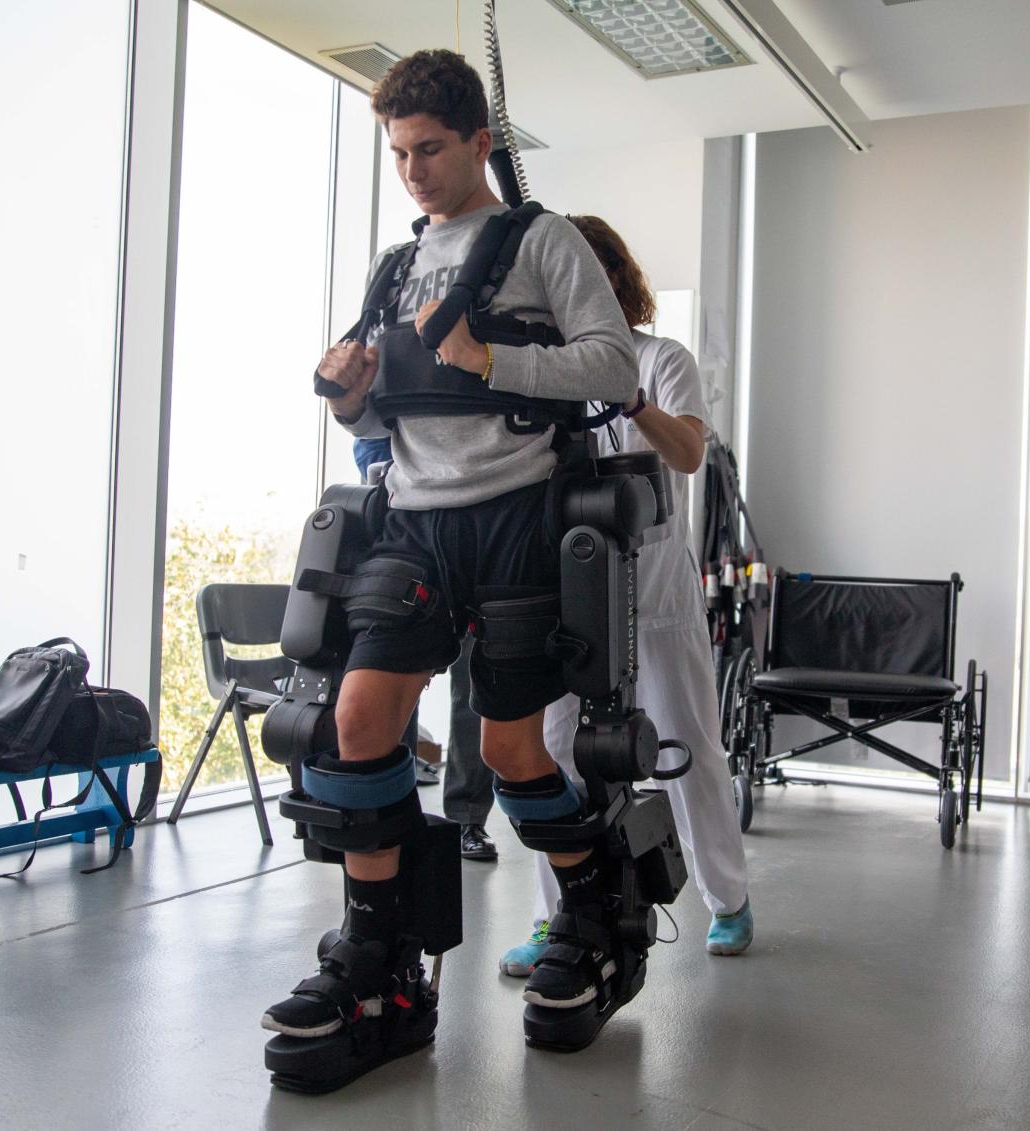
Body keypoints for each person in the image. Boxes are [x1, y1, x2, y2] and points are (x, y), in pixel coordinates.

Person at [260, 50, 637, 1047]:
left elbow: (613, 363)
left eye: (430, 149)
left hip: (517, 514)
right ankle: (377, 959)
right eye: (397, 154)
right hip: (413, 518)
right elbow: (374, 422)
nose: (415, 170)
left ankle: (594, 911)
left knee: (507, 747)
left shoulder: (541, 240)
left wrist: (490, 356)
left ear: (478, 142)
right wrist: (347, 394)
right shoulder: (393, 267)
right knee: (356, 716)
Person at [499, 215, 753, 977]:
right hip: (571, 596)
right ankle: (560, 914)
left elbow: (687, 451)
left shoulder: (661, 359)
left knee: (689, 744)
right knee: (552, 752)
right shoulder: (545, 372)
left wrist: (634, 400)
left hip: (658, 593)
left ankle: (729, 898)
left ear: (611, 279)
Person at [354, 434, 498, 859]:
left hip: (480, 525)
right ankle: (395, 813)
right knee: (394, 681)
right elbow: (368, 433)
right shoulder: (397, 368)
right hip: (405, 526)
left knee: (475, 685)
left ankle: (467, 819)